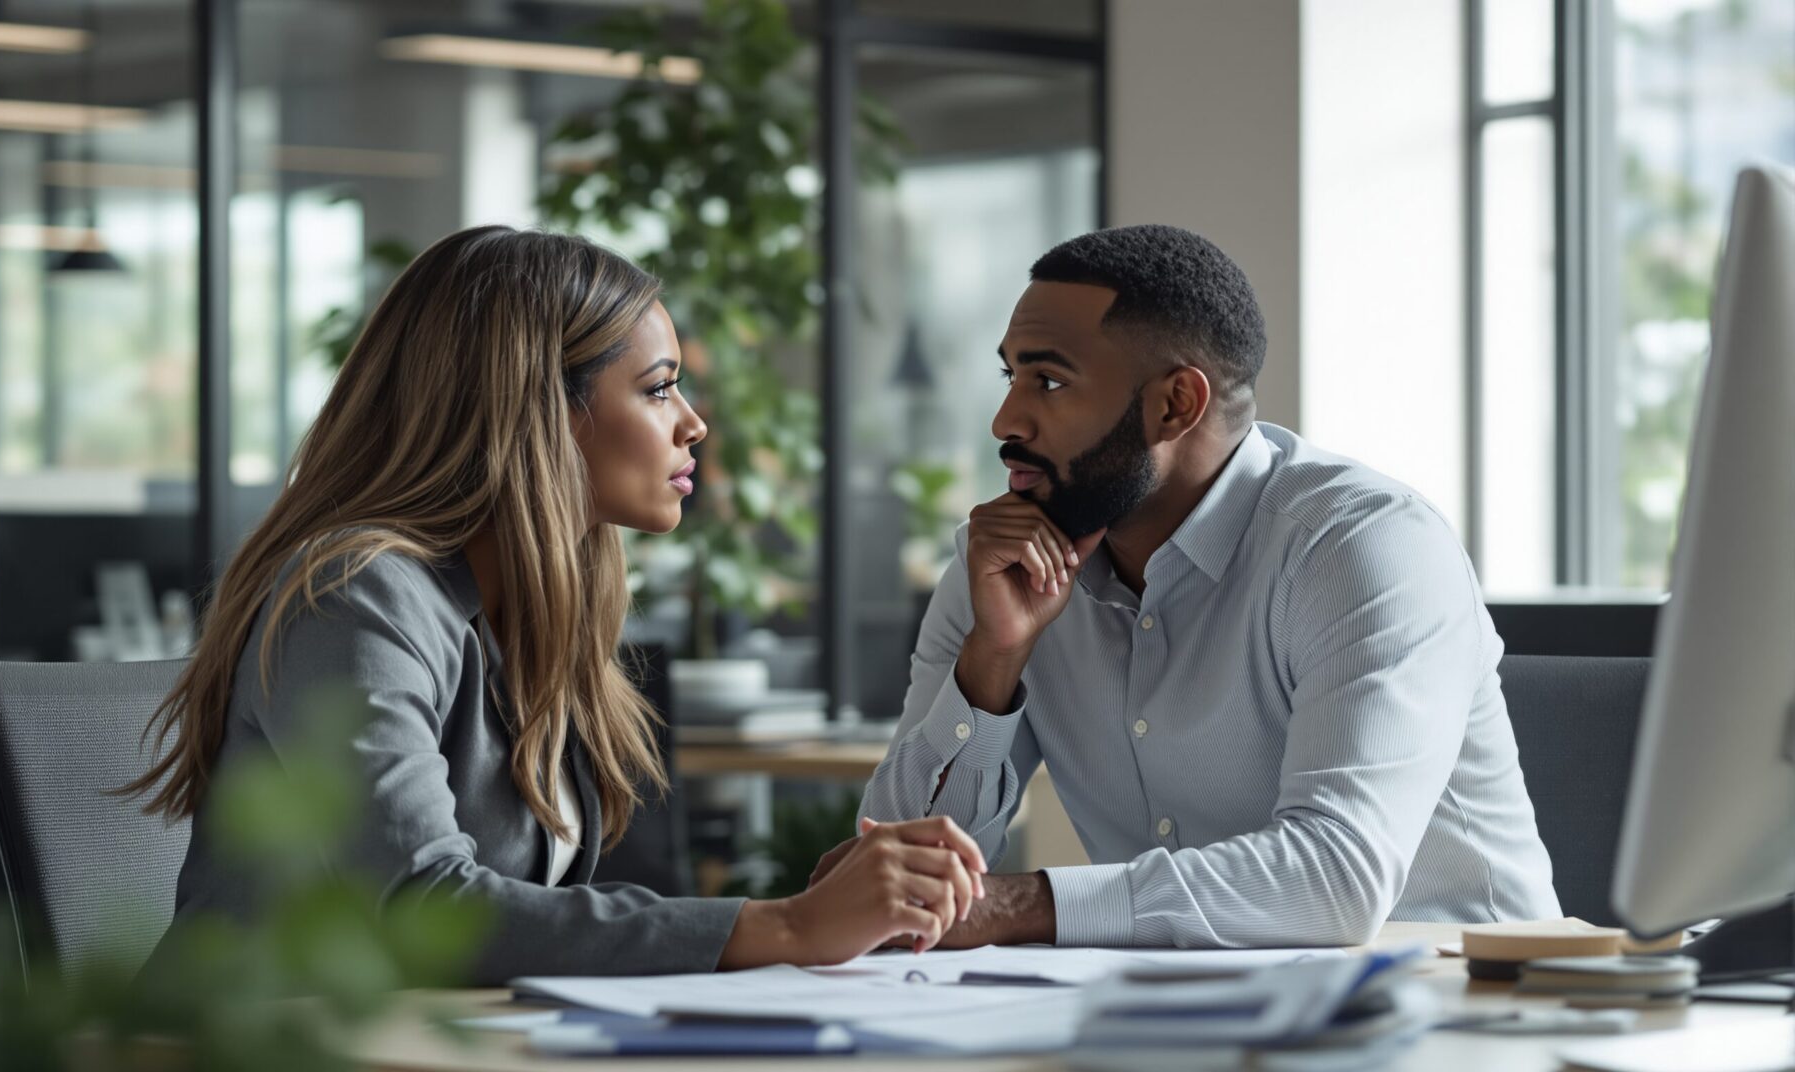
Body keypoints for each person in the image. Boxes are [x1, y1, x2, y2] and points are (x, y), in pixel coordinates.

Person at [127, 226, 986, 983]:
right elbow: (425, 910)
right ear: (542, 413)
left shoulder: (544, 611)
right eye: (657, 389)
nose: (693, 424)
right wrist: (791, 925)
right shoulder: (358, 593)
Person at [828, 223, 1560, 949]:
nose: (1005, 420)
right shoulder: (1001, 563)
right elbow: (887, 879)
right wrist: (993, 657)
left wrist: (1016, 904)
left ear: (1176, 403)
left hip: (1453, 1008)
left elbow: (1337, 879)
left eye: (1048, 381)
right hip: (1176, 1009)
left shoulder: (1361, 544)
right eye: (1009, 377)